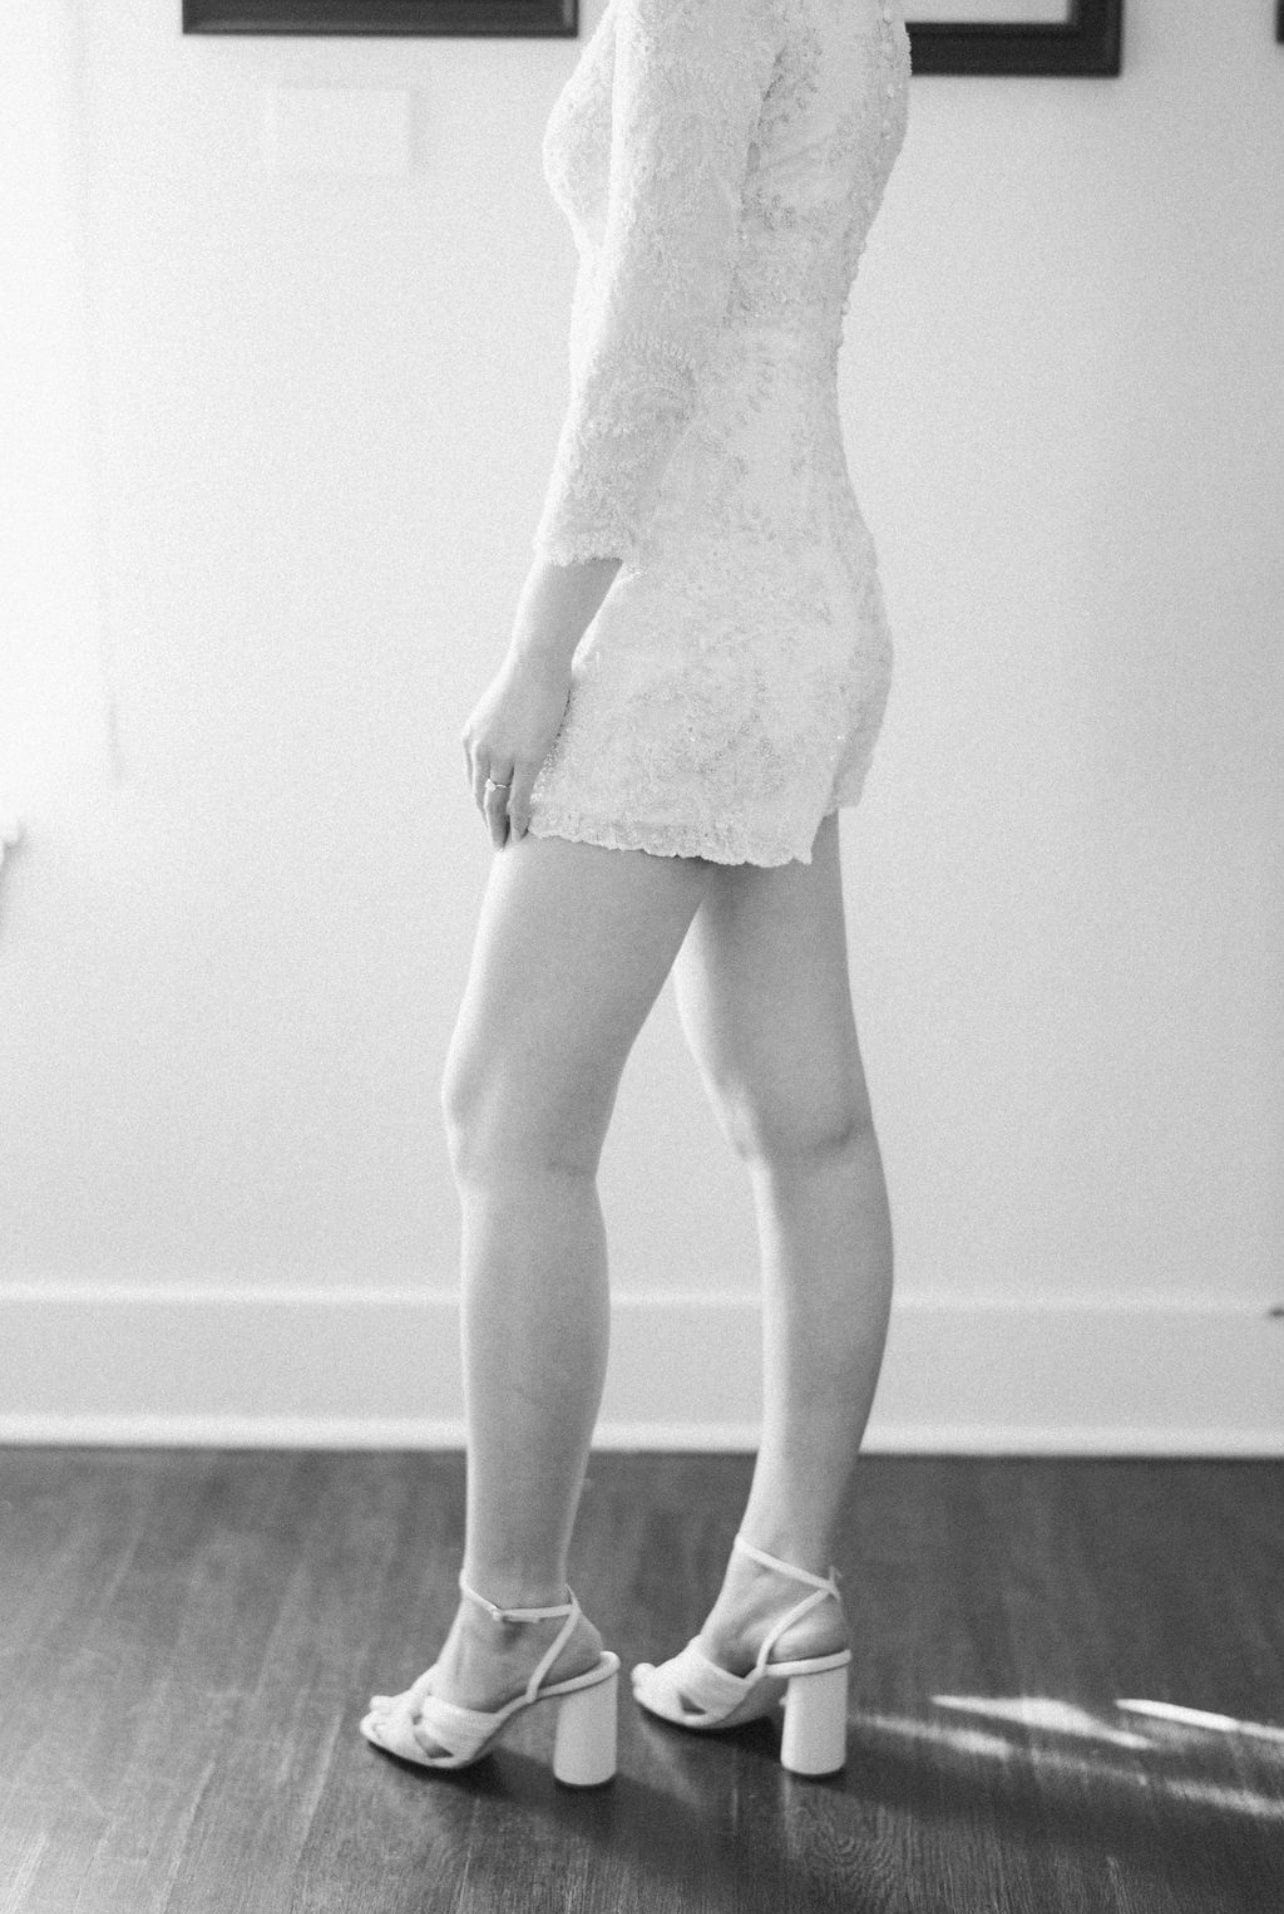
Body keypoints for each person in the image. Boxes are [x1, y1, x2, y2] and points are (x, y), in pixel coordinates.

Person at [360, 0, 911, 1784]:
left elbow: (649, 329)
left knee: (510, 1120)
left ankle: (514, 1619)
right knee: (807, 1121)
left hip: (683, 610)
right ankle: (781, 1595)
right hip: (807, 586)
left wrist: (542, 648)